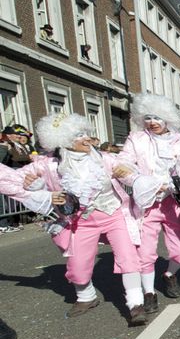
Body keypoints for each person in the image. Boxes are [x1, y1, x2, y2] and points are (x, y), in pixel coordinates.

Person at [17, 113, 147, 326]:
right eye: (80, 135)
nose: (88, 139)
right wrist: (33, 184)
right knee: (78, 265)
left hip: (113, 215)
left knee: (128, 257)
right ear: (64, 140)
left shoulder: (104, 158)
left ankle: (136, 305)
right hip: (80, 221)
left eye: (88, 133)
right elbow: (16, 179)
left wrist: (132, 175)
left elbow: (129, 173)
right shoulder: (50, 165)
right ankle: (87, 297)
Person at [115, 94, 180, 313]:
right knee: (145, 252)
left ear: (167, 118)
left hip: (174, 202)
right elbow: (123, 165)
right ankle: (149, 293)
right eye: (148, 117)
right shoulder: (136, 139)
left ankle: (169, 275)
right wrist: (142, 182)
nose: (152, 122)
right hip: (147, 203)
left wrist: (178, 186)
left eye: (157, 117)